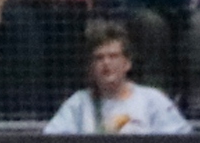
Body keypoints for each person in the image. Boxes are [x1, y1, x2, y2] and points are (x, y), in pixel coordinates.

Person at [46, 22, 191, 136]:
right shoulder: (78, 104)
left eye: (113, 56)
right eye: (99, 58)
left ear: (127, 63)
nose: (106, 63)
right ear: (91, 66)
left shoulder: (153, 101)